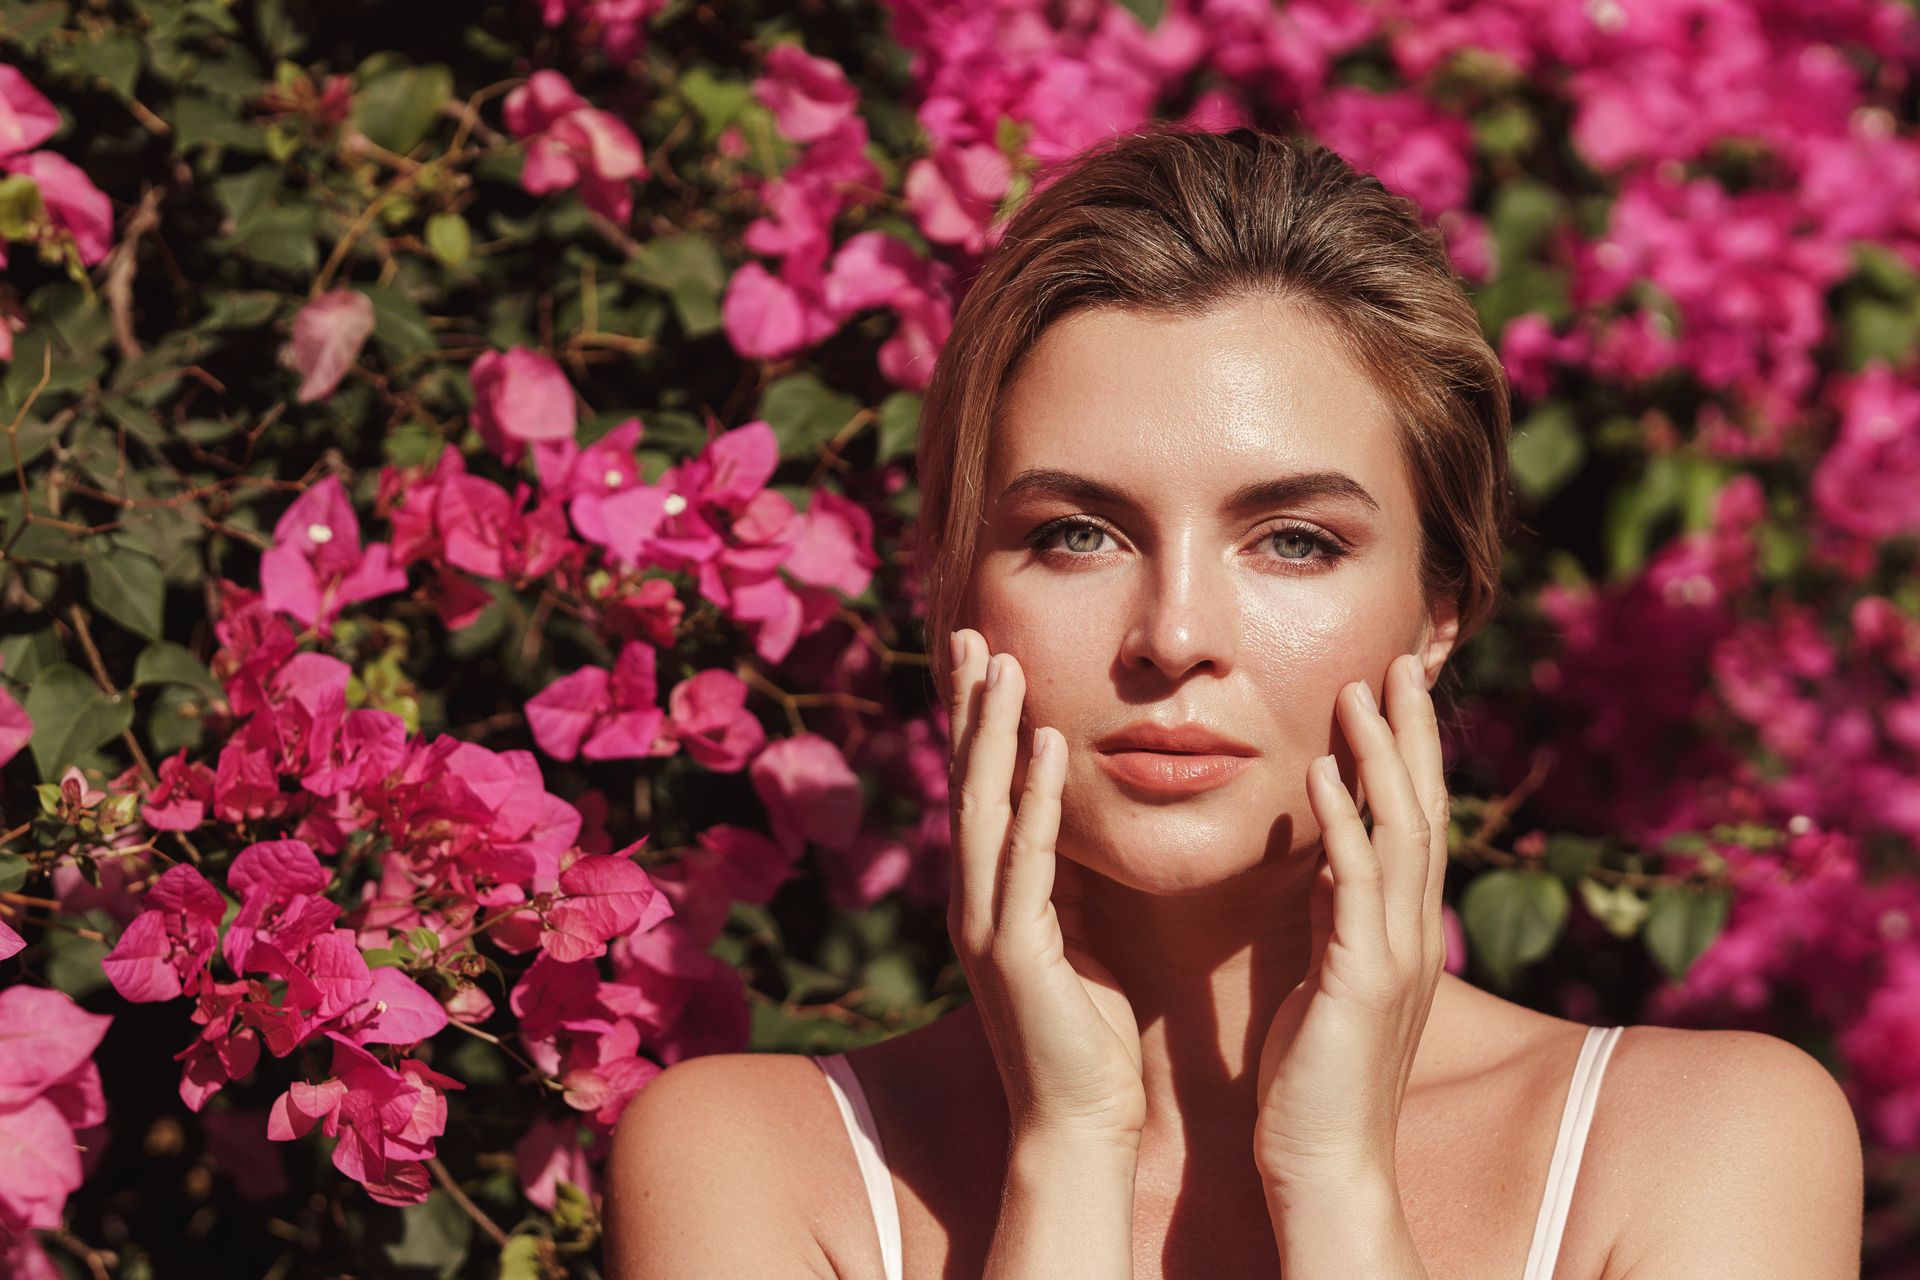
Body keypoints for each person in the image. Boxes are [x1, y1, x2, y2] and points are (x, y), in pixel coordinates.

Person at [603, 124, 1864, 1278]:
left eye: (1295, 540)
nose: (1175, 636)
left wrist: (1338, 1181)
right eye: (1078, 532)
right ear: (952, 592)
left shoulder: (1703, 1143)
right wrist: (1069, 1146)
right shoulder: (756, 1164)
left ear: (1440, 610)